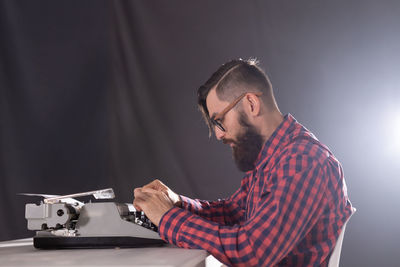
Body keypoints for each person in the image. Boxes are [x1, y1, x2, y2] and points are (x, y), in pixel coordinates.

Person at [133, 59, 353, 266]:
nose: (218, 135)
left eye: (219, 121)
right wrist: (177, 202)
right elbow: (233, 212)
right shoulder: (274, 157)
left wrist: (167, 217)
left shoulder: (304, 162)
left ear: (250, 103)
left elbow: (251, 252)